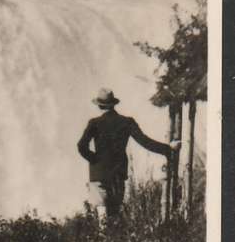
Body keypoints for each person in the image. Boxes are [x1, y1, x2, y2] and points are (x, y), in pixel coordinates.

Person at [77, 88, 180, 219]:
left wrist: (95, 160)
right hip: (118, 172)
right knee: (115, 213)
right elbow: (145, 141)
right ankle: (114, 237)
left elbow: (81, 146)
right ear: (113, 104)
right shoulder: (127, 122)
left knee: (102, 212)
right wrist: (168, 149)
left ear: (99, 105)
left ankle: (103, 237)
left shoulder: (94, 123)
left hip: (99, 173)